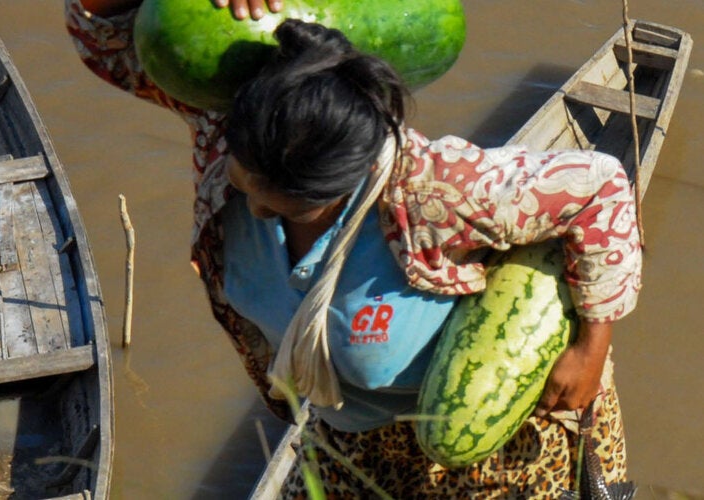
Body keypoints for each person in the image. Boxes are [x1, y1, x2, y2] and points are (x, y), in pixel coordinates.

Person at [66, 0, 641, 497]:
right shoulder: (236, 128)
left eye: (289, 202)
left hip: (498, 435)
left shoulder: (437, 190)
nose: (258, 210)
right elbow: (101, 34)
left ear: (353, 177)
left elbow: (601, 187)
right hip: (349, 435)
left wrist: (591, 347)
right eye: (246, 179)